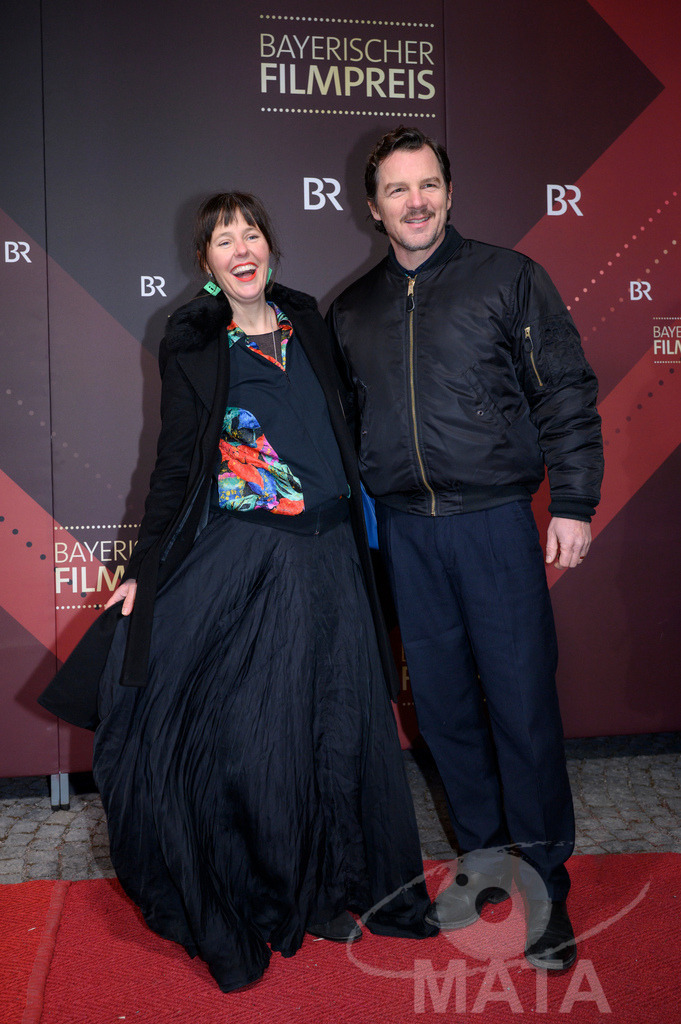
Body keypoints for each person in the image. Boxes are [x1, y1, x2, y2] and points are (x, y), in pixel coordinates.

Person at [39, 191, 436, 993]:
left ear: (270, 247)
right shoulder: (192, 341)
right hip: (252, 560)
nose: (241, 248)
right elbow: (176, 467)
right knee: (265, 737)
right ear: (206, 264)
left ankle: (342, 888)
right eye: (224, 241)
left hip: (330, 561)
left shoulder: (307, 325)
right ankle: (272, 890)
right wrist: (146, 569)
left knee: (337, 729)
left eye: (251, 234)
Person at [327, 127, 604, 972]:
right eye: (397, 190)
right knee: (444, 714)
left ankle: (544, 888)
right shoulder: (352, 309)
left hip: (493, 526)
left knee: (520, 707)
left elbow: (564, 389)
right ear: (371, 208)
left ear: (448, 192)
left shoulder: (507, 277)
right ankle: (483, 865)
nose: (415, 201)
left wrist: (575, 500)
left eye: (428, 185)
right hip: (406, 534)